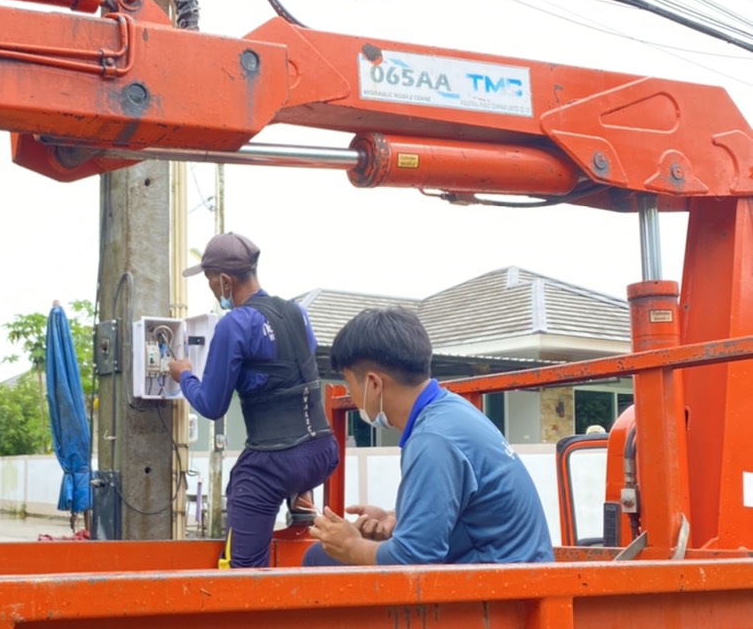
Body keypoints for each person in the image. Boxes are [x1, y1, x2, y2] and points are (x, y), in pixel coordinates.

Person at [306, 307, 553, 567]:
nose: (351, 396)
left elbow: (412, 560)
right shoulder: (451, 411)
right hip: (516, 571)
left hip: (501, 590)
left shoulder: (432, 439)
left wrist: (351, 546)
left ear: (373, 383)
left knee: (319, 558)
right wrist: (397, 519)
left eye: (348, 384)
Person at [167, 232, 339, 568]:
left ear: (226, 281)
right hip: (322, 454)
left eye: (210, 280)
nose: (212, 289)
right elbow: (297, 366)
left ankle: (245, 577)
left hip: (274, 465)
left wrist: (185, 375)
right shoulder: (296, 311)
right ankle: (301, 500)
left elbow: (211, 405)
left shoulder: (235, 324)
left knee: (241, 569)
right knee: (292, 452)